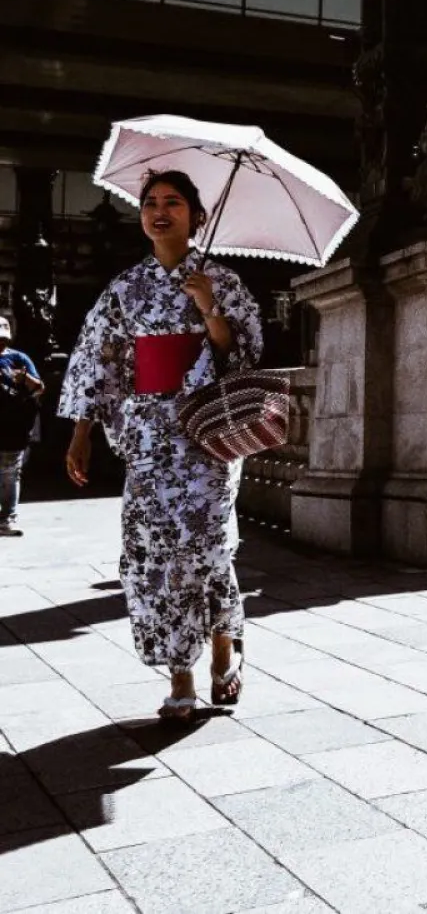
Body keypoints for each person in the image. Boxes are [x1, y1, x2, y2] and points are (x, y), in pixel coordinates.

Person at [59, 170, 263, 720]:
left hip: (207, 435)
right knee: (153, 552)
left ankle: (224, 646)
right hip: (149, 436)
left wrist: (209, 309)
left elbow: (241, 359)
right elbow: (94, 359)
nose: (159, 211)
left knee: (208, 546)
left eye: (173, 202)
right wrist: (80, 432)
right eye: (150, 203)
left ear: (197, 216)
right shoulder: (125, 289)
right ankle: (181, 675)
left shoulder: (223, 281)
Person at [0, 315, 45, 537]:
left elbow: (39, 388)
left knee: (10, 473)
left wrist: (24, 378)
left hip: (13, 426)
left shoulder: (19, 359)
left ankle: (7, 519)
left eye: (3, 339)